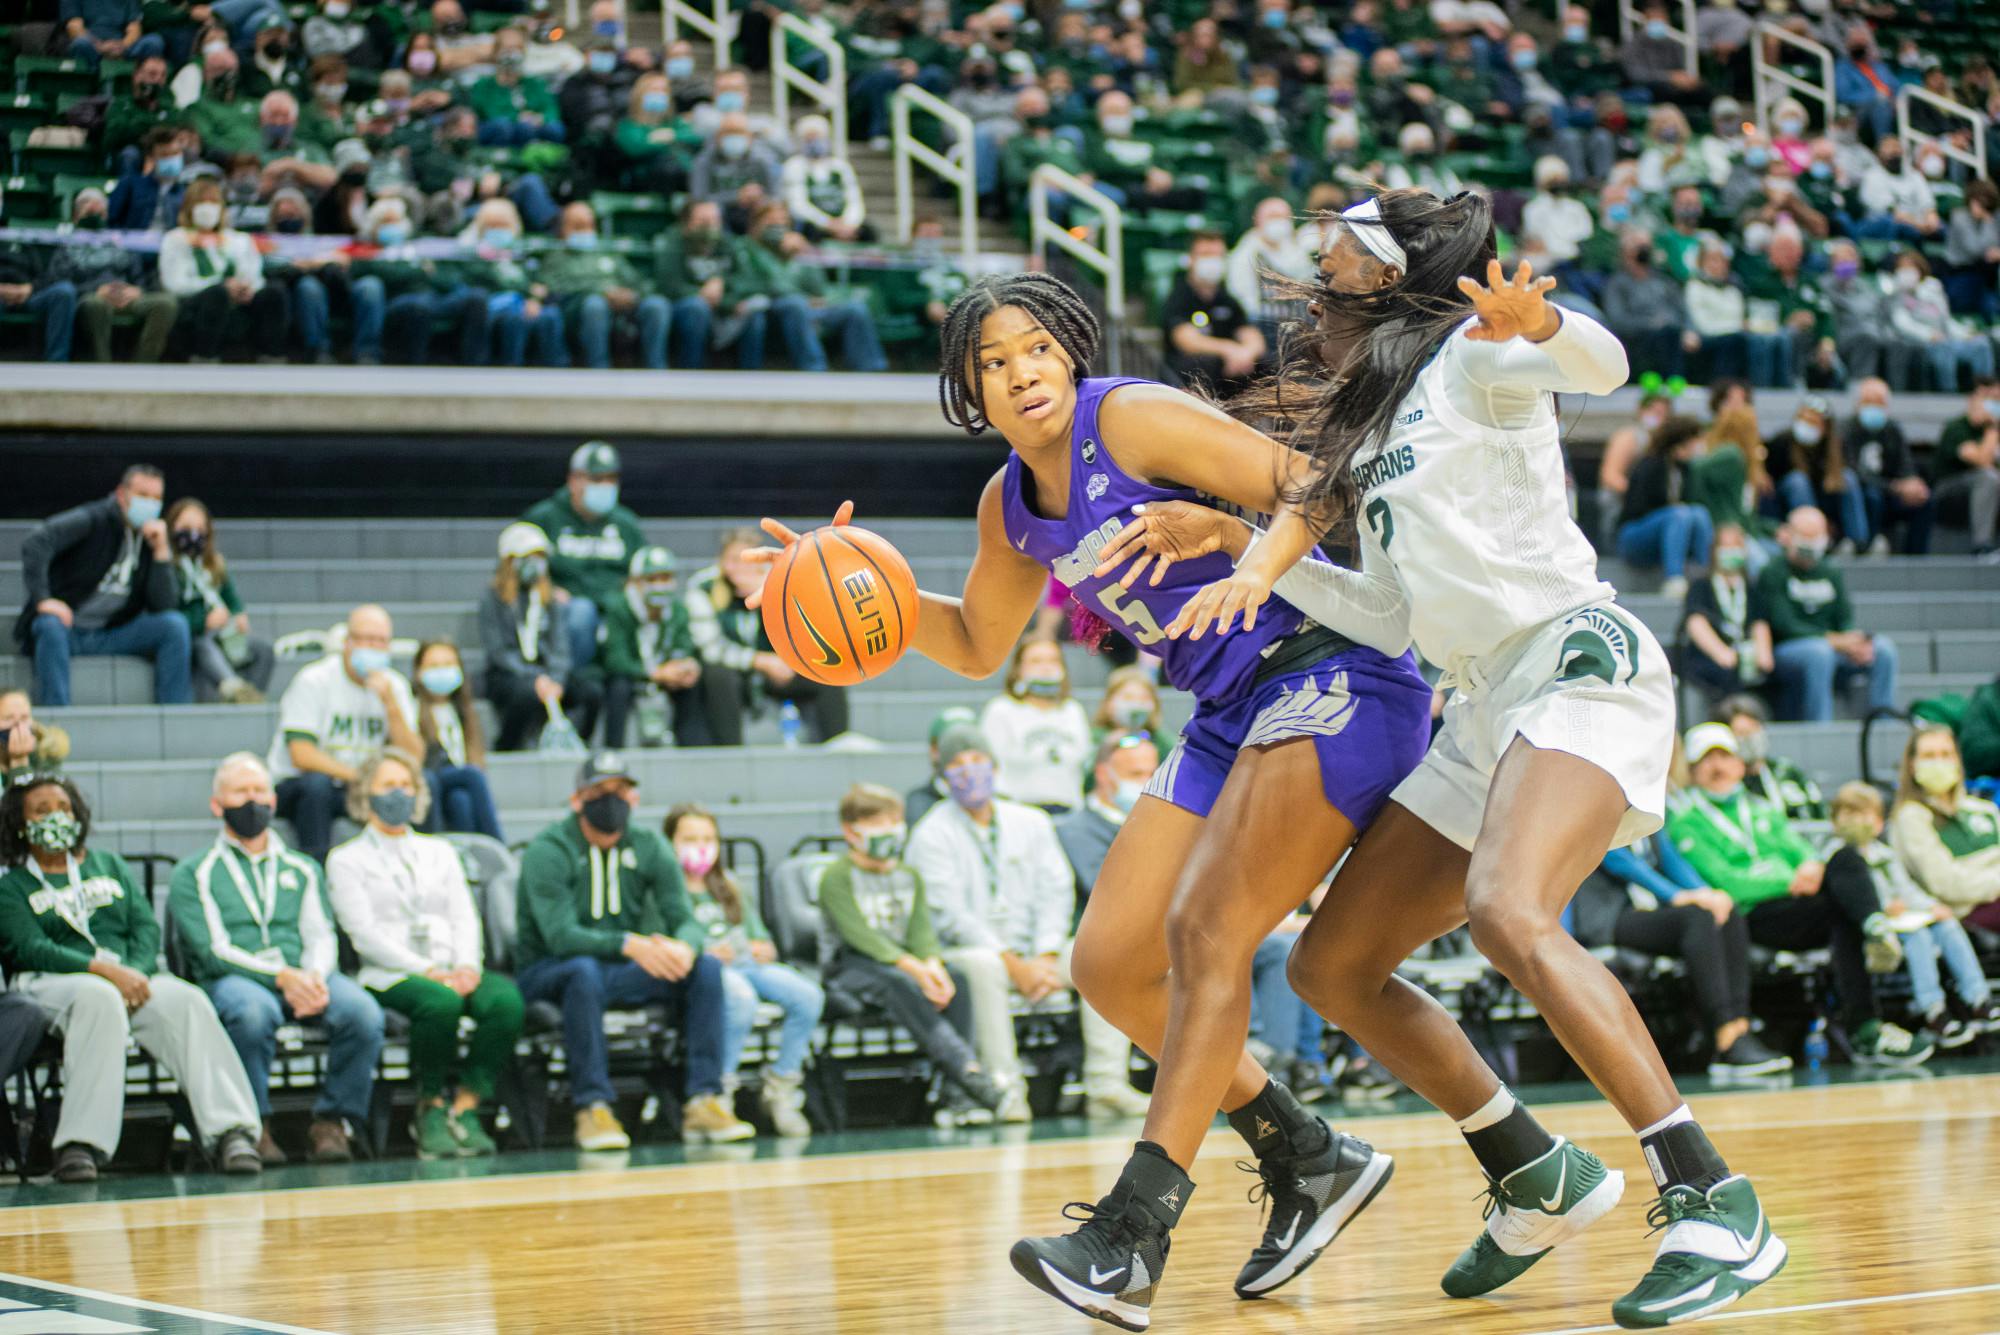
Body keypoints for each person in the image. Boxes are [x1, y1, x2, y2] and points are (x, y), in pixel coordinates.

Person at [1094, 190, 1787, 1326]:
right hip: (1479, 707)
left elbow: (1605, 367)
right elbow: (1381, 616)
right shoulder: (1370, 429)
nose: (1312, 290)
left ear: (1388, 282)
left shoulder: (1472, 356)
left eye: (1334, 267)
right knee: (1332, 966)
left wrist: (1540, 329)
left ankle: (1713, 1199)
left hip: (1575, 665)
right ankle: (1531, 1171)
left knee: (1509, 912)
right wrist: (1236, 543)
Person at [750, 258, 1434, 1325]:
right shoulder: (1009, 508)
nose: (1019, 372)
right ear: (966, 394)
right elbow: (978, 642)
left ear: (1068, 348)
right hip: (1219, 714)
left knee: (1205, 941)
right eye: (991, 362)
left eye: (1034, 348)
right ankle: (1310, 1154)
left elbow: (1319, 485)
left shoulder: (1132, 422)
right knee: (1108, 966)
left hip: (1314, 663)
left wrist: (1244, 561)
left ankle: (1131, 1231)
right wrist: (846, 584)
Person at [0, 773, 262, 1183]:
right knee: (97, 998)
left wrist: (135, 973)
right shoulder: (12, 885)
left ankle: (231, 1132)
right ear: (20, 823)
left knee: (186, 1001)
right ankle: (79, 1144)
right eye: (42, 811)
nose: (56, 816)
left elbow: (145, 929)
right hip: (51, 983)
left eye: (63, 808)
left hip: (128, 977)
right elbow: (30, 947)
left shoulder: (109, 865)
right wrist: (106, 972)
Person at [907, 723, 1153, 1123]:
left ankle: (1106, 1085)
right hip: (971, 954)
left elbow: (1055, 890)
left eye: (978, 761)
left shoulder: (1031, 821)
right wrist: (1012, 964)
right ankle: (1006, 1088)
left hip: (1037, 951)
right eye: (958, 765)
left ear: (995, 765)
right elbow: (950, 915)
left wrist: (1046, 951)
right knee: (984, 966)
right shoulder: (930, 834)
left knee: (1102, 953)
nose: (970, 772)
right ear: (942, 775)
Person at [514, 753, 754, 1150]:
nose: (612, 800)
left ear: (635, 799)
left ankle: (703, 1100)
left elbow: (685, 917)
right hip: (548, 970)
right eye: (600, 792)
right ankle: (592, 1107)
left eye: (621, 791)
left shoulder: (648, 845)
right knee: (582, 971)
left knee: (705, 968)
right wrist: (628, 943)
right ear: (577, 800)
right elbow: (560, 936)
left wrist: (685, 947)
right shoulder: (548, 849)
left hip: (621, 967)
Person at [170, 753, 388, 1164]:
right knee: (252, 1014)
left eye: (259, 791)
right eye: (240, 791)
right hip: (236, 978)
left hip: (303, 975)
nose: (252, 800)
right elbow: (212, 950)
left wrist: (314, 977)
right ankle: (254, 1127)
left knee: (363, 1013)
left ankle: (332, 1121)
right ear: (217, 804)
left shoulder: (302, 868)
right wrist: (282, 977)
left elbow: (320, 934)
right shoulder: (195, 871)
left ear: (273, 800)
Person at [1668, 724, 1927, 1070]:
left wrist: (1810, 867)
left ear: (1740, 764)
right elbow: (1727, 883)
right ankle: (1865, 1024)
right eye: (1707, 760)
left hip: (1796, 905)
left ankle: (1872, 927)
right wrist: (1792, 877)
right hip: (1751, 915)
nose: (1718, 767)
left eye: (1725, 757)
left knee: (1844, 863)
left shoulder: (1761, 809)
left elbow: (1805, 854)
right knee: (1841, 909)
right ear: (1694, 770)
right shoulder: (1685, 822)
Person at [326, 750, 524, 1159]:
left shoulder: (441, 851)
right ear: (366, 793)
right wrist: (427, 969)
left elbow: (464, 916)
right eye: (387, 785)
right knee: (440, 1002)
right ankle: (429, 1105)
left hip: (454, 966)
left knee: (505, 1002)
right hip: (391, 973)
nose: (398, 793)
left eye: (406, 785)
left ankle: (467, 1104)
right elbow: (363, 935)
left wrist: (468, 965)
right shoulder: (345, 859)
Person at [819, 785, 1005, 1126]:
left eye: (895, 822)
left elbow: (922, 932)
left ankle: (959, 1097)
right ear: (851, 830)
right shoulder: (836, 877)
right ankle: (968, 1069)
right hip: (850, 965)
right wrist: (917, 971)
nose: (890, 831)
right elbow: (861, 936)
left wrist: (933, 967)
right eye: (878, 823)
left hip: (905, 962)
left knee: (957, 980)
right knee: (899, 984)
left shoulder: (910, 875)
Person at [666, 804, 822, 1138]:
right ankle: (720, 1090)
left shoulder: (727, 883)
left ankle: (782, 1086)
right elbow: (665, 943)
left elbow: (761, 937)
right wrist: (705, 953)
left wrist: (762, 947)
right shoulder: (666, 889)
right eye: (690, 838)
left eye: (709, 838)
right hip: (706, 973)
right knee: (740, 997)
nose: (701, 845)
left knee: (808, 996)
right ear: (670, 843)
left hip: (747, 965)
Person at [1828, 782, 1996, 1050]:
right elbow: (1851, 896)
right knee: (1917, 936)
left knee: (1947, 924)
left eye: (1864, 814)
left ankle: (1978, 999)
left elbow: (1906, 888)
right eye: (1848, 813)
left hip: (1905, 915)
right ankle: (1933, 1010)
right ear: (1834, 821)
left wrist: (1931, 907)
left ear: (1879, 822)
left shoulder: (1885, 855)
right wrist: (1883, 908)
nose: (1857, 821)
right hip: (1875, 924)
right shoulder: (1834, 856)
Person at [15, 464, 191, 708]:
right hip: (69, 627)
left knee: (174, 625)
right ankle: (58, 722)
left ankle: (175, 717)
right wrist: (43, 599)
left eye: (156, 498)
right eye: (142, 495)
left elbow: (164, 605)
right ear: (121, 494)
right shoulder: (94, 518)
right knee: (48, 626)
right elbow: (37, 541)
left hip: (113, 631)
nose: (150, 504)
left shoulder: (153, 537)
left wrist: (162, 553)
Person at [266, 603, 422, 863]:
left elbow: (413, 757)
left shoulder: (395, 686)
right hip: (300, 785)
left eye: (381, 642)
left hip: (361, 787)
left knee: (414, 787)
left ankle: (423, 869)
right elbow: (301, 755)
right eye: (366, 640)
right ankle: (318, 872)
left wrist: (391, 705)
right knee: (317, 787)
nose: (373, 648)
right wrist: (361, 777)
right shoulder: (314, 680)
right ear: (348, 642)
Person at [686, 528, 850, 746]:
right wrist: (760, 661)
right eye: (733, 559)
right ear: (721, 562)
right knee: (718, 676)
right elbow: (711, 649)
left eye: (748, 559)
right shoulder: (702, 588)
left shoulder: (777, 580)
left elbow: (808, 631)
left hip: (779, 666)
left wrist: (772, 598)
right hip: (735, 672)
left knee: (828, 668)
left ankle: (840, 746)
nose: (740, 568)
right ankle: (729, 751)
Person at [1752, 507, 1899, 722]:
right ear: (1789, 536)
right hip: (1789, 649)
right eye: (1805, 538)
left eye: (1816, 538)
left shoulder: (1831, 571)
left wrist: (1854, 642)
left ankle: (1883, 722)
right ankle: (1821, 727)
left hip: (1832, 646)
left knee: (1883, 649)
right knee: (1819, 654)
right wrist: (1835, 641)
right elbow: (1785, 625)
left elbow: (1844, 619)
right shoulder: (1773, 572)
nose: (1810, 545)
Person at [522, 441, 647, 671]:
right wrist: (547, 588)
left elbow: (643, 569)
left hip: (614, 610)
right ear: (573, 480)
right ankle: (571, 684)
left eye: (611, 479)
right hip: (564, 613)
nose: (606, 486)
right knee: (582, 613)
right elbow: (518, 567)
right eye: (597, 479)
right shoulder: (544, 518)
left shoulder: (626, 523)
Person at [159, 177, 291, 363]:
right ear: (189, 207)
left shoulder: (239, 239)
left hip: (239, 298)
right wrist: (221, 286)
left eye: (213, 202)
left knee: (274, 292)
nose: (207, 208)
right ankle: (204, 356)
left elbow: (255, 276)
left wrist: (246, 288)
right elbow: (175, 284)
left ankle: (271, 356)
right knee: (218, 294)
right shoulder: (176, 239)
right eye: (201, 202)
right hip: (196, 301)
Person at [480, 522, 583, 752]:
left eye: (540, 557)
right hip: (508, 673)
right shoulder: (492, 598)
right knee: (524, 694)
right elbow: (498, 652)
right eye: (529, 556)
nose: (536, 564)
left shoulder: (551, 599)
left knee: (590, 692)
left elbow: (560, 647)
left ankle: (575, 747)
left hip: (547, 673)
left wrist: (555, 678)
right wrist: (534, 678)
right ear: (511, 561)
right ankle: (507, 747)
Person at [591, 547, 705, 749]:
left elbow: (684, 646)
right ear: (635, 582)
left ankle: (691, 748)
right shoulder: (619, 607)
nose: (660, 585)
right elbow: (616, 661)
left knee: (690, 684)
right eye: (652, 579)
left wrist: (685, 666)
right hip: (630, 675)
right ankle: (614, 750)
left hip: (665, 673)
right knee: (619, 686)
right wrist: (655, 673)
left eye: (666, 578)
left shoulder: (677, 610)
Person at [163, 498, 274, 705]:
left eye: (199, 528)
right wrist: (203, 621)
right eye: (185, 527)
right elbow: (168, 613)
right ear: (172, 528)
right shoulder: (167, 567)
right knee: (204, 644)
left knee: (263, 650)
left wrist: (238, 614)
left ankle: (251, 699)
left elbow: (232, 600)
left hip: (222, 634)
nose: (193, 534)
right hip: (192, 637)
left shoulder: (214, 564)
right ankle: (231, 686)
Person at [1890, 727, 2000, 933]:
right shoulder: (1911, 816)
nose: (1939, 762)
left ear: (1957, 761)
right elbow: (1946, 884)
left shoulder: (1984, 809)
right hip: (1964, 913)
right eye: (1929, 756)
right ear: (1912, 765)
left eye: (1946, 754)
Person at [541, 202, 670, 371]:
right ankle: (599, 369)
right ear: (564, 229)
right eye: (578, 226)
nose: (585, 231)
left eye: (589, 225)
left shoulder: (607, 251)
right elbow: (557, 288)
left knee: (656, 305)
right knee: (595, 305)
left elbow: (636, 281)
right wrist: (604, 293)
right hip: (579, 309)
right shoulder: (556, 256)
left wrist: (633, 295)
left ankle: (656, 370)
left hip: (622, 304)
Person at [1054, 732, 1160, 927]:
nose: (1148, 783)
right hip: (1099, 938)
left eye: (1152, 774)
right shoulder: (1074, 829)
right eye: (1135, 774)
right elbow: (1111, 894)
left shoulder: (1164, 825)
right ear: (1103, 774)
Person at [979, 638, 1094, 814]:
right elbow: (989, 767)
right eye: (1035, 661)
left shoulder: (1073, 710)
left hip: (1069, 810)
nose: (1046, 668)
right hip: (1018, 810)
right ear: (1018, 669)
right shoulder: (1001, 710)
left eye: (1053, 660)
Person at [411, 640, 503, 840]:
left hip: (456, 785)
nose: (442, 671)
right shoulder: (411, 708)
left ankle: (471, 859)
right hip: (429, 779)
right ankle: (498, 844)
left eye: (448, 664)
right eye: (434, 666)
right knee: (472, 776)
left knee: (460, 801)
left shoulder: (464, 712)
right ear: (418, 672)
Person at [1615, 416, 1712, 601]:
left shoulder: (1686, 470)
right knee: (1679, 514)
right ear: (1681, 444)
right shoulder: (1650, 465)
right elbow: (1636, 508)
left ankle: (1704, 578)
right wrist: (1671, 512)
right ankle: (1674, 580)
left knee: (1700, 513)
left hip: (1666, 536)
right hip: (1634, 535)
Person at [1162, 231, 1267, 395]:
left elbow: (1253, 337)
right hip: (1188, 374)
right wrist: (1229, 349)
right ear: (1191, 259)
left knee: (1263, 362)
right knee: (1204, 363)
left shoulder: (1228, 300)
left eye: (1218, 255)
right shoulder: (1179, 298)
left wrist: (1247, 353)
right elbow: (1187, 341)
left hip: (1230, 369)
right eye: (1206, 254)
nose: (1212, 261)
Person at [1679, 525, 1770, 702]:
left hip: (1745, 653)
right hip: (1711, 656)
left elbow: (1759, 623)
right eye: (1725, 547)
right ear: (1714, 551)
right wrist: (1722, 654)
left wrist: (1763, 654)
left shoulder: (1751, 588)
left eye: (1736, 546)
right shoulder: (1701, 585)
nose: (1731, 552)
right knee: (1727, 671)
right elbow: (1695, 622)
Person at [1842, 378, 1933, 555]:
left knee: (1924, 501)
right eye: (1869, 402)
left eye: (1880, 403)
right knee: (1872, 495)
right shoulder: (1846, 430)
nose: (1874, 407)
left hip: (1891, 493)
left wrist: (1912, 483)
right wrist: (1894, 487)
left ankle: (1915, 557)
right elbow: (1853, 473)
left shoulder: (1892, 429)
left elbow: (1905, 464)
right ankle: (1868, 545)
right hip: (1862, 495)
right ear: (1857, 404)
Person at [1765, 397, 1866, 550]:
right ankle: (1809, 535)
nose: (1806, 425)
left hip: (1825, 502)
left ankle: (1858, 542)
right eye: (1804, 419)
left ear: (1825, 428)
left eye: (1813, 421)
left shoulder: (1837, 445)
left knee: (1847, 477)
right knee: (1797, 481)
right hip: (1788, 502)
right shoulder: (1782, 441)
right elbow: (1768, 478)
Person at [1714, 694, 1826, 823]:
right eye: (1742, 733)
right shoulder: (1724, 782)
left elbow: (1819, 815)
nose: (1751, 738)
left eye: (1755, 728)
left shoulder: (1786, 771)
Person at [1933, 375, 2000, 555]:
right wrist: (1992, 428)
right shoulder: (1957, 427)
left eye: (1997, 399)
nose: (1994, 404)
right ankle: (1982, 545)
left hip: (1987, 493)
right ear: (1972, 400)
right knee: (1988, 477)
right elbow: (1982, 461)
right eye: (1988, 399)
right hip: (1949, 491)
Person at [779, 114, 868, 244]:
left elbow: (854, 200)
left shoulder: (840, 166)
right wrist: (827, 223)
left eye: (818, 137)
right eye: (809, 139)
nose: (814, 142)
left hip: (844, 222)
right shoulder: (794, 166)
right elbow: (798, 206)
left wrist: (849, 223)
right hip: (814, 224)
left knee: (868, 232)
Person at [0, 690, 68, 786]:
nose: (18, 724)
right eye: (8, 718)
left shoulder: (46, 751)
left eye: (24, 717)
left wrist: (20, 763)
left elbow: (39, 798)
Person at [1093, 666, 1162, 738]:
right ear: (1108, 703)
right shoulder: (1094, 737)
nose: (1136, 705)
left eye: (1144, 699)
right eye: (1128, 697)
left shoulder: (1160, 739)